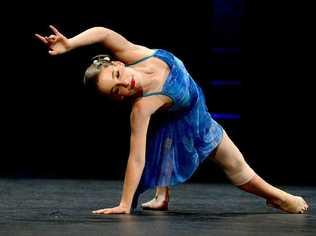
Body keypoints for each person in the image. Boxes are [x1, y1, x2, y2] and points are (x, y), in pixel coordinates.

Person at [35, 25, 309, 215]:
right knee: (235, 166)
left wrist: (70, 43)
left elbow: (103, 33)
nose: (125, 86)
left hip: (190, 112)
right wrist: (124, 203)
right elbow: (137, 157)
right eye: (117, 92)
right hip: (190, 121)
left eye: (118, 78)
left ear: (117, 64)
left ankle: (162, 196)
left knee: (226, 159)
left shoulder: (132, 54)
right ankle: (281, 198)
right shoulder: (142, 107)